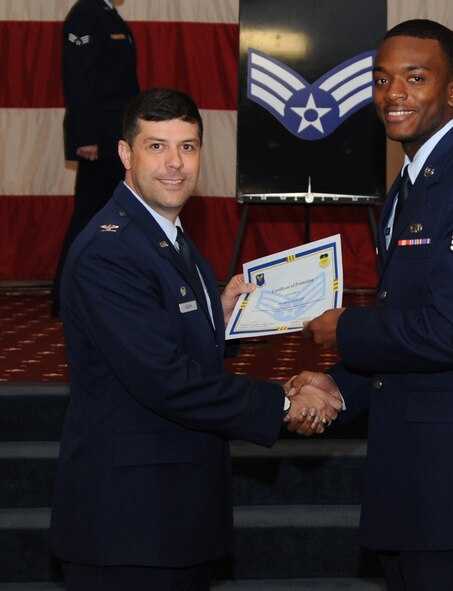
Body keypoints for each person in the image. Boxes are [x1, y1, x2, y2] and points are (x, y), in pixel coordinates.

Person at [50, 88, 342, 591]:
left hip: (169, 515)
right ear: (125, 153)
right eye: (157, 146)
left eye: (187, 147)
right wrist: (281, 403)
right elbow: (166, 379)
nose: (174, 164)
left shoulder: (166, 234)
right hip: (129, 526)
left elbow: (160, 331)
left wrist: (218, 313)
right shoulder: (111, 251)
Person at [290, 19, 453, 590]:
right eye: (381, 78)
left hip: (451, 476)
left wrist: (346, 329)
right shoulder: (409, 184)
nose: (392, 93)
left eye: (414, 78)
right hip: (408, 467)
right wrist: (340, 386)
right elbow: (406, 326)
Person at [51, 0, 140, 316]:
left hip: (115, 132)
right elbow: (79, 78)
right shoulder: (87, 14)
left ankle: (93, 290)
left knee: (106, 213)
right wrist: (86, 136)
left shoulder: (106, 14)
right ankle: (66, 295)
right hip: (99, 137)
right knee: (89, 214)